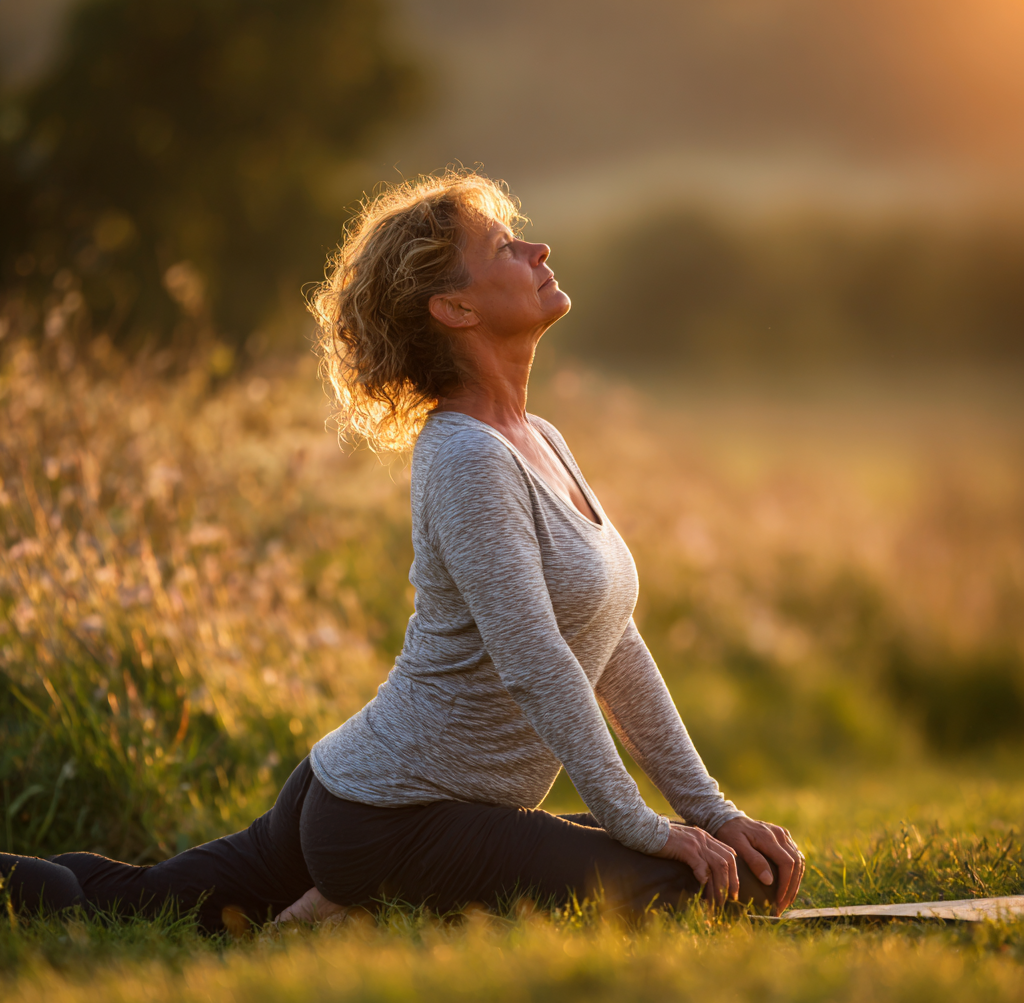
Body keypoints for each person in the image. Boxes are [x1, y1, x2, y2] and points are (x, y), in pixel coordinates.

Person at [1, 171, 803, 931]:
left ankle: (322, 907)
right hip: (389, 818)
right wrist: (641, 827)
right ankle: (344, 911)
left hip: (363, 789)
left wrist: (710, 810)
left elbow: (610, 643)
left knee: (129, 903)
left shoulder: (538, 439)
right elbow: (535, 661)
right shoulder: (466, 457)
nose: (538, 252)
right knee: (696, 888)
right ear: (453, 308)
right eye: (504, 248)